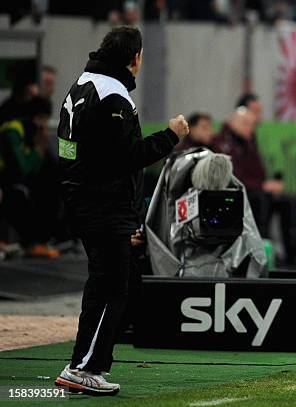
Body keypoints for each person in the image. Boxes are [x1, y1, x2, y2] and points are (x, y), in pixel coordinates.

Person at [54, 26, 189, 396]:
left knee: (106, 282)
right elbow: (128, 158)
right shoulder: (113, 95)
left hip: (83, 200)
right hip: (102, 205)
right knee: (113, 286)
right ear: (135, 58)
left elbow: (67, 150)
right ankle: (85, 367)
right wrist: (171, 136)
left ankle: (84, 364)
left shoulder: (81, 84)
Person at [211, 107, 296, 267]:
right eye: (246, 124)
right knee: (261, 200)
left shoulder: (248, 141)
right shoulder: (223, 143)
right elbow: (233, 176)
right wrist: (262, 186)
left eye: (252, 124)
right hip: (236, 193)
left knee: (289, 201)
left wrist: (268, 185)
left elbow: (258, 171)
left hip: (255, 190)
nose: (250, 128)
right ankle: (261, 250)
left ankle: (293, 254)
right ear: (233, 123)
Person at [0, 96, 60, 257]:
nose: (44, 126)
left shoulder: (32, 135)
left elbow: (37, 172)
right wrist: (38, 150)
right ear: (36, 118)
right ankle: (32, 242)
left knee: (50, 183)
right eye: (43, 120)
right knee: (19, 195)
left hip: (15, 181)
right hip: (5, 182)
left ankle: (45, 239)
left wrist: (43, 151)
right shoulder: (13, 131)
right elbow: (20, 170)